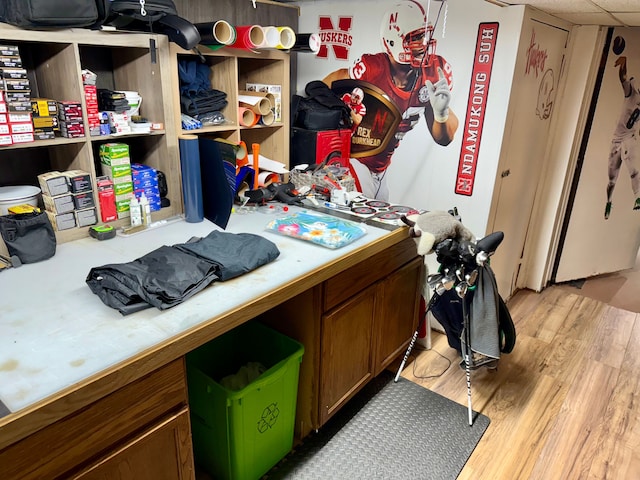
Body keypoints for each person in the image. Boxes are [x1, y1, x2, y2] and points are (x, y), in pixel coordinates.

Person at [323, 0, 459, 200]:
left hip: (381, 169)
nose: (423, 44)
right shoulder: (373, 69)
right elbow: (324, 86)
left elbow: (443, 139)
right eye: (415, 37)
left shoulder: (432, 73)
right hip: (355, 162)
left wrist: (441, 114)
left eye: (424, 35)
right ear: (393, 41)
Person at [605, 55, 640, 219]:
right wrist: (623, 63)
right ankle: (609, 201)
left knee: (634, 171)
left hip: (629, 138)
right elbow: (623, 78)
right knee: (612, 179)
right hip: (617, 139)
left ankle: (638, 197)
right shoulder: (632, 93)